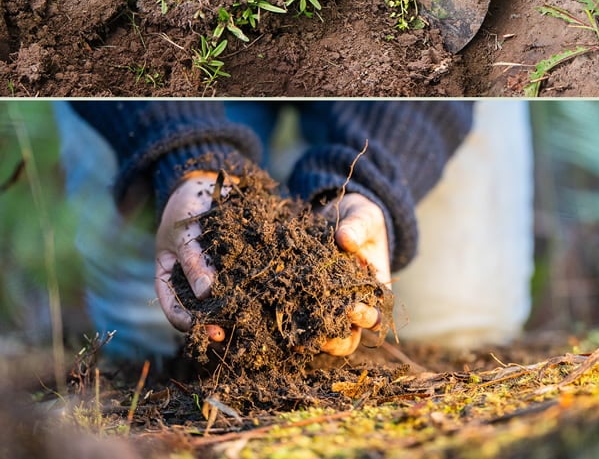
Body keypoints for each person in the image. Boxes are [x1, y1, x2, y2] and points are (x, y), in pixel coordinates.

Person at [55, 100, 476, 362]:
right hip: (161, 108)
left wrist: (370, 184)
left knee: (456, 321)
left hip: (406, 109)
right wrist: (188, 163)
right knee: (148, 333)